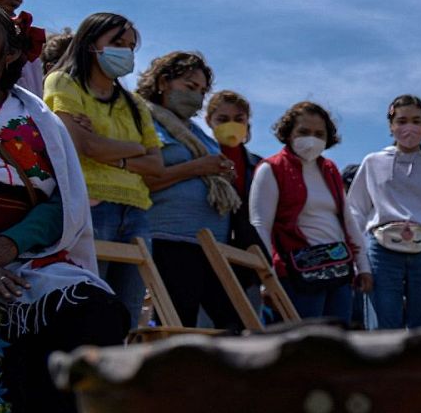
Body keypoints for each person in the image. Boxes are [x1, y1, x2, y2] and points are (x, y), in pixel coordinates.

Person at [0, 0, 126, 413]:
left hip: (27, 254)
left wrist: (8, 247)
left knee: (90, 307)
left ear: (11, 52)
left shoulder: (38, 119)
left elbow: (66, 202)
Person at [42, 12, 162, 326]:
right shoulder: (62, 82)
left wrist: (113, 152)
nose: (126, 51)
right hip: (91, 207)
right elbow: (84, 147)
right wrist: (136, 149)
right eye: (117, 42)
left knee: (129, 312)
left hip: (137, 213)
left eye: (131, 46)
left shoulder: (135, 104)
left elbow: (156, 165)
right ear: (90, 42)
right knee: (90, 309)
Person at [134, 51, 242, 330]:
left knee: (234, 325)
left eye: (202, 91)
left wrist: (221, 173)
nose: (196, 96)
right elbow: (142, 180)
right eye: (189, 86)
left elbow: (208, 169)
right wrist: (197, 168)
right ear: (163, 82)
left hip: (212, 246)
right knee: (179, 326)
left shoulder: (199, 132)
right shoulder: (142, 118)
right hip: (170, 241)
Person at [346, 94, 421, 330]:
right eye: (401, 121)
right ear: (391, 126)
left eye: (416, 121)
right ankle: (385, 367)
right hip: (381, 249)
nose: (409, 127)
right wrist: (359, 264)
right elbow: (355, 212)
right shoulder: (372, 162)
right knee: (383, 324)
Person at [249, 101, 371, 321]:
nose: (311, 139)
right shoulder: (271, 169)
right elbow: (260, 225)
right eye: (304, 132)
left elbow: (347, 219)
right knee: (304, 345)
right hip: (297, 276)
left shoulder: (330, 169)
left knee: (339, 342)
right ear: (288, 133)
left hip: (338, 271)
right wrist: (267, 278)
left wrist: (363, 266)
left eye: (319, 134)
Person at [206, 89, 264, 310]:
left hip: (248, 258)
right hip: (209, 253)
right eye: (223, 119)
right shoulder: (201, 160)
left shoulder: (260, 166)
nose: (232, 124)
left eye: (238, 119)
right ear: (209, 121)